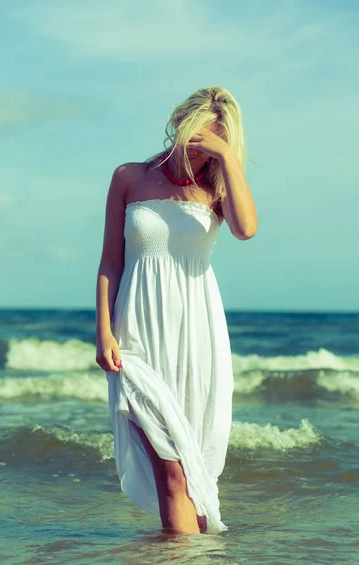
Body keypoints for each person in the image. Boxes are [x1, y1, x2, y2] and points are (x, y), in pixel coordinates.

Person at [96, 86, 258, 536]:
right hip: (138, 335)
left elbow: (247, 230)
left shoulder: (217, 186)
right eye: (196, 143)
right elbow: (111, 261)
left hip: (197, 336)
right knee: (170, 468)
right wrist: (104, 331)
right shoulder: (128, 177)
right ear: (177, 127)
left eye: (212, 147)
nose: (199, 157)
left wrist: (226, 157)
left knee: (193, 468)